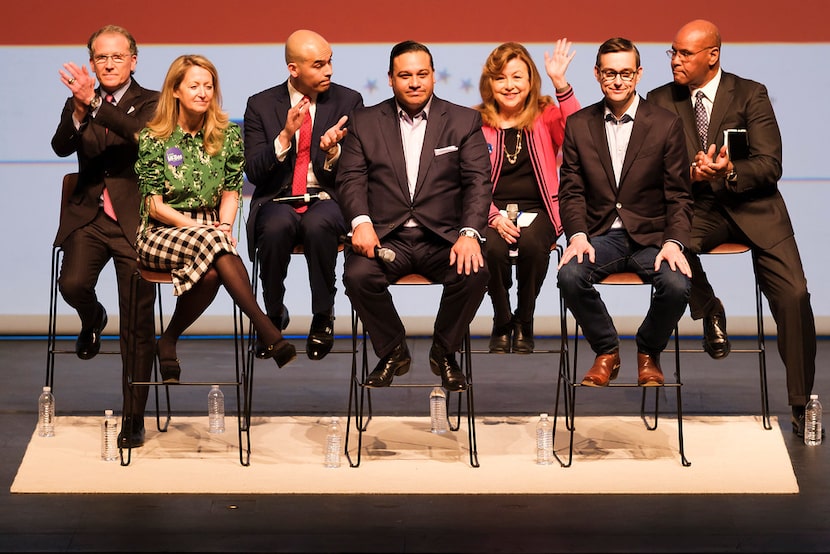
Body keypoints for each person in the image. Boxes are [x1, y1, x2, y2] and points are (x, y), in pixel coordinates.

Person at [647, 19, 818, 438]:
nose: (676, 61)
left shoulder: (750, 93)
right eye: (673, 52)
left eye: (685, 54)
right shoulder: (659, 100)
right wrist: (691, 173)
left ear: (713, 55)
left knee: (795, 296)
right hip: (700, 209)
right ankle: (709, 309)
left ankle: (801, 403)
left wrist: (728, 171)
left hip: (755, 208)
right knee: (663, 238)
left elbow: (769, 164)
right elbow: (652, 169)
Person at [336, 40, 492, 391]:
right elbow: (350, 179)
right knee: (358, 276)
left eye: (422, 74)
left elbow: (478, 182)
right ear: (390, 79)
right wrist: (360, 222)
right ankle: (393, 351)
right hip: (386, 238)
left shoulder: (464, 120)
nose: (415, 82)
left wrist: (469, 234)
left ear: (434, 76)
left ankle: (444, 351)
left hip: (442, 238)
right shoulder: (364, 122)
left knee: (475, 272)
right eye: (405, 75)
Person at [135, 54, 297, 384]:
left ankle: (167, 340)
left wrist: (223, 225)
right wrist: (202, 228)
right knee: (216, 245)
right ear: (175, 91)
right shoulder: (154, 138)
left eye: (209, 86)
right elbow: (154, 205)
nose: (203, 92)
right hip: (162, 231)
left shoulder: (227, 136)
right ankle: (267, 328)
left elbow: (231, 192)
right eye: (194, 85)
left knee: (210, 276)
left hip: (210, 231)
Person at [557, 37, 693, 388]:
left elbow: (679, 194)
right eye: (610, 73)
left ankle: (648, 350)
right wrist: (577, 235)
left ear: (639, 74)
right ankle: (607, 351)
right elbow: (571, 191)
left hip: (652, 238)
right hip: (600, 237)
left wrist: (674, 242)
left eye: (626, 73)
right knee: (569, 275)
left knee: (677, 284)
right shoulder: (578, 124)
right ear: (597, 74)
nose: (618, 81)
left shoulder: (665, 124)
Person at [50, 24, 157, 448]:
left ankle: (134, 416)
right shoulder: (78, 101)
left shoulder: (152, 102)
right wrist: (78, 111)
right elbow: (61, 147)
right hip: (90, 217)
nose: (108, 64)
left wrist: (93, 103)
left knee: (137, 323)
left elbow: (141, 136)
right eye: (100, 57)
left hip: (134, 222)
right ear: (91, 62)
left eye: (117, 56)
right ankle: (93, 317)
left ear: (133, 59)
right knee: (72, 284)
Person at [244, 30, 364, 360]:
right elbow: (254, 172)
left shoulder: (348, 101)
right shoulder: (261, 104)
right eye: (319, 64)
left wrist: (333, 152)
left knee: (318, 226)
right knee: (275, 227)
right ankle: (272, 316)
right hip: (277, 198)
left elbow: (357, 170)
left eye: (330, 62)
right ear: (293, 69)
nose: (329, 71)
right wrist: (284, 137)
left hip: (325, 197)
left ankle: (323, 316)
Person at [475, 40, 580, 354]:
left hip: (541, 209)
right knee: (491, 248)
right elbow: (470, 180)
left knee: (534, 244)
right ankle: (503, 318)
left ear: (531, 80)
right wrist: (492, 216)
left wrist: (560, 83)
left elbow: (577, 133)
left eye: (517, 77)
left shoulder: (545, 113)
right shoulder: (474, 121)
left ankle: (525, 317)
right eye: (501, 78)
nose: (509, 86)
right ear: (489, 83)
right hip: (490, 211)